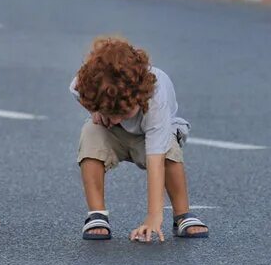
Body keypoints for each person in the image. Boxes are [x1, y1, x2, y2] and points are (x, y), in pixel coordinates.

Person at [72, 36, 209, 242]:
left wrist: (154, 217)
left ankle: (182, 214)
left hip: (151, 136)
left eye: (123, 112)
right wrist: (95, 110)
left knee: (169, 152)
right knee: (90, 132)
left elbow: (155, 159)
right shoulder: (86, 84)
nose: (116, 118)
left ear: (138, 96)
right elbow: (75, 90)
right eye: (111, 112)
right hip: (113, 134)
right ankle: (97, 215)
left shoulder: (155, 100)